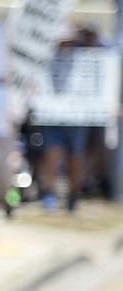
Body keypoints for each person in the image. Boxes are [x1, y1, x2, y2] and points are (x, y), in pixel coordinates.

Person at [34, 32, 89, 212]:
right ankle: (50, 193)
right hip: (53, 117)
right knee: (52, 154)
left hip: (77, 118)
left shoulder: (85, 62)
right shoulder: (47, 61)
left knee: (76, 157)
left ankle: (73, 196)